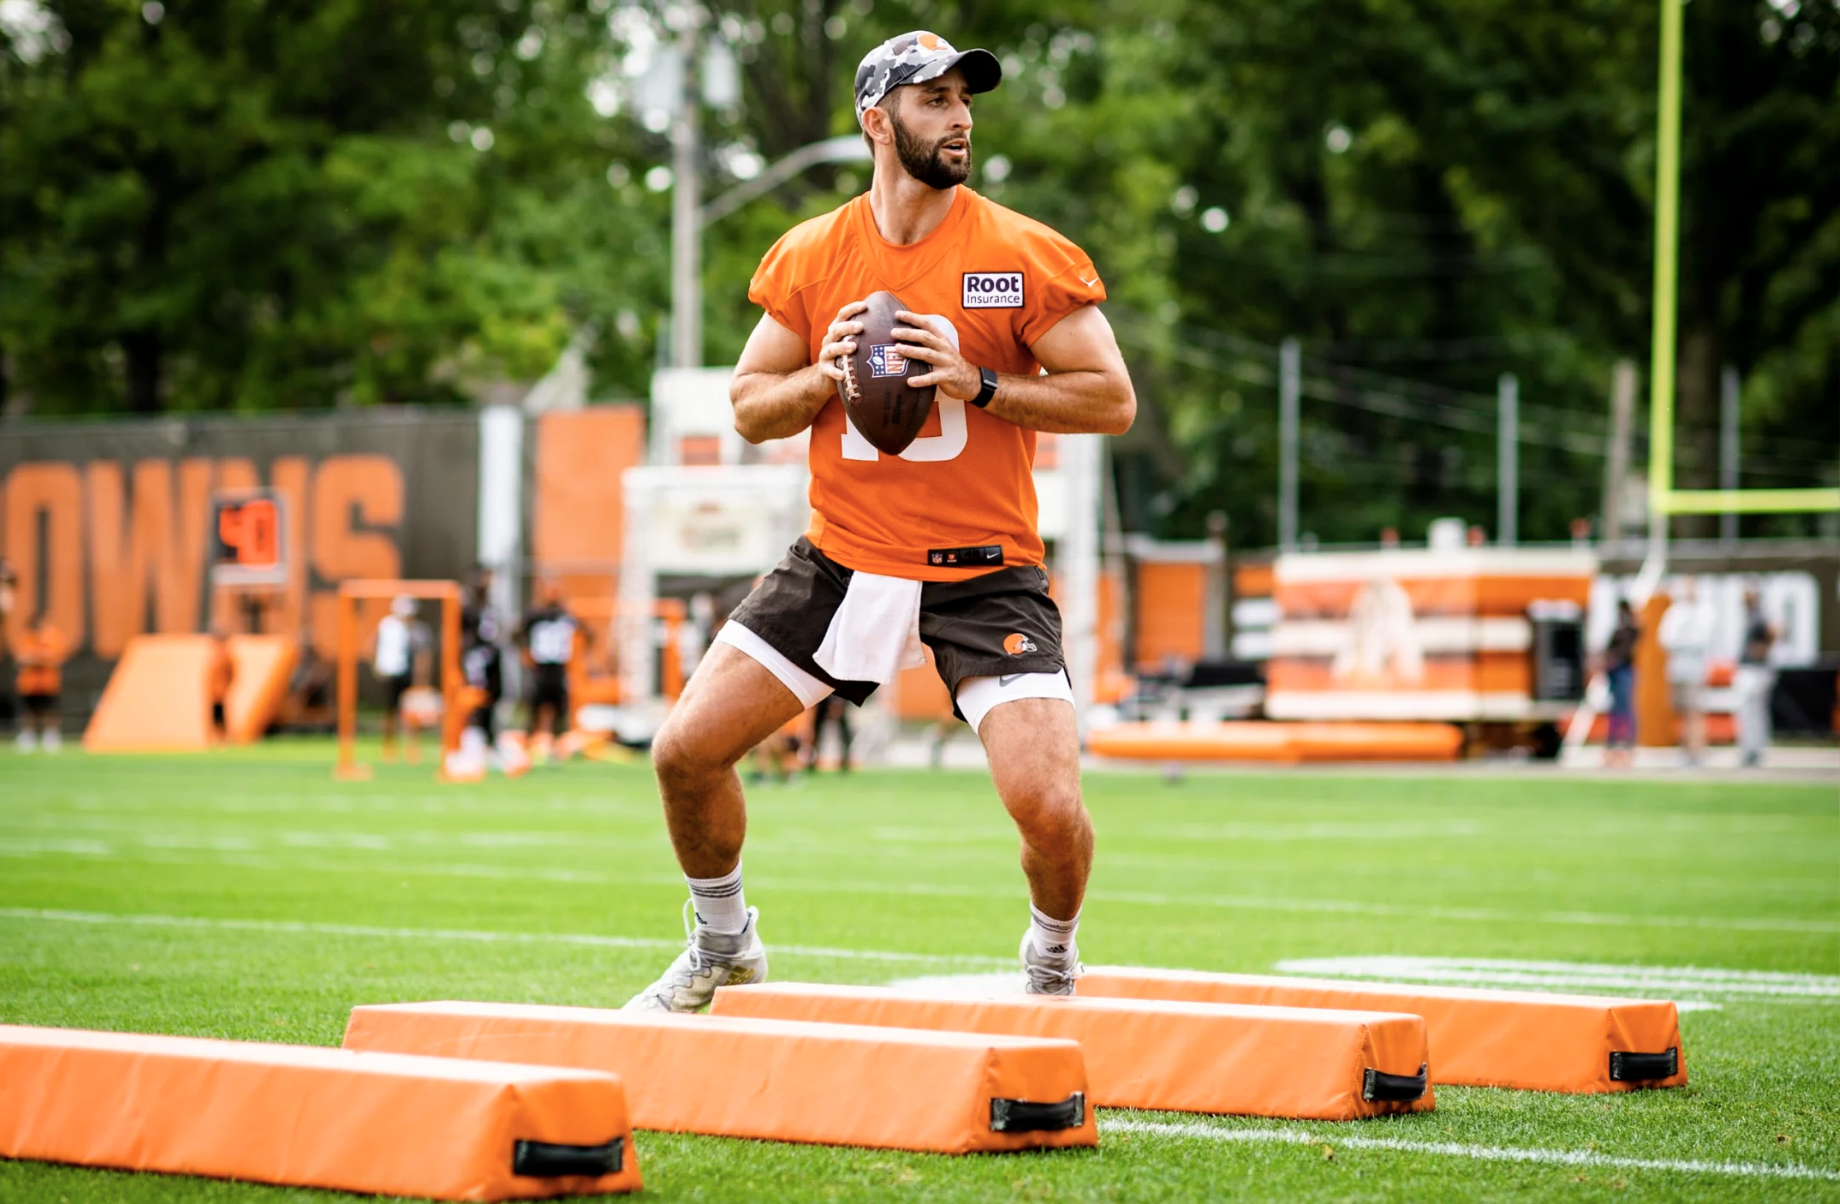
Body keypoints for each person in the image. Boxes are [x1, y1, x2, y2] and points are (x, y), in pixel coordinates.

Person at [623, 30, 1135, 1011]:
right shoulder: (815, 254)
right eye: (934, 100)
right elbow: (747, 402)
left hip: (984, 569)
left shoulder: (1021, 253)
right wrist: (829, 371)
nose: (959, 118)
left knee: (1049, 806)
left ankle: (1053, 955)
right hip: (844, 557)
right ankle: (724, 941)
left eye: (963, 101)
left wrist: (981, 382)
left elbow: (1111, 401)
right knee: (683, 751)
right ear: (876, 120)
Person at [1657, 577, 1713, 767]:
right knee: (1681, 711)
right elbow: (1665, 639)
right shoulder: (1675, 611)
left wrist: (1683, 643)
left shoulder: (1704, 611)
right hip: (1677, 670)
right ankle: (1684, 749)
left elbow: (1702, 640)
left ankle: (1697, 750)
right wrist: (1684, 642)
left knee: (1695, 711)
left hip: (1695, 671)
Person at [520, 581, 580, 755]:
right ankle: (528, 745)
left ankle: (557, 749)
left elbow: (586, 632)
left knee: (560, 708)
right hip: (541, 667)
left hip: (558, 667)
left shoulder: (565, 615)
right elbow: (517, 632)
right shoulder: (535, 615)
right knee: (534, 706)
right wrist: (526, 652)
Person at [373, 595, 431, 762]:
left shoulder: (418, 630)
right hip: (391, 672)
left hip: (409, 674)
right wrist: (378, 665)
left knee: (411, 713)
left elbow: (423, 655)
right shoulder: (387, 626)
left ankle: (412, 746)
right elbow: (374, 645)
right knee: (390, 711)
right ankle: (389, 745)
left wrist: (421, 677)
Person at [1735, 588, 1778, 768]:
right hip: (1753, 669)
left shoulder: (1758, 616)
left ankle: (1753, 750)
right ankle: (1752, 749)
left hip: (1755, 670)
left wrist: (1762, 651)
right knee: (1751, 712)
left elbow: (1774, 631)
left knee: (1752, 712)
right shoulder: (1753, 616)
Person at [15, 613, 68, 752]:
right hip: (29, 684)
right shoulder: (26, 637)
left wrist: (36, 658)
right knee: (28, 711)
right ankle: (28, 736)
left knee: (49, 710)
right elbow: (22, 657)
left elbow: (56, 658)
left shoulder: (52, 636)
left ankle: (50, 736)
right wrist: (40, 658)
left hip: (48, 683)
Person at [1602, 598, 1640, 768]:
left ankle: (1627, 743)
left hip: (1624, 670)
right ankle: (1613, 743)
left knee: (1625, 709)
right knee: (1615, 710)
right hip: (1615, 672)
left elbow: (1633, 639)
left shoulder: (1630, 630)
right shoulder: (1617, 631)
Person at [804, 694, 855, 773]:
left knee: (844, 734)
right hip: (823, 700)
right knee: (817, 734)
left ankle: (845, 761)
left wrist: (838, 702)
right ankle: (812, 761)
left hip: (839, 697)